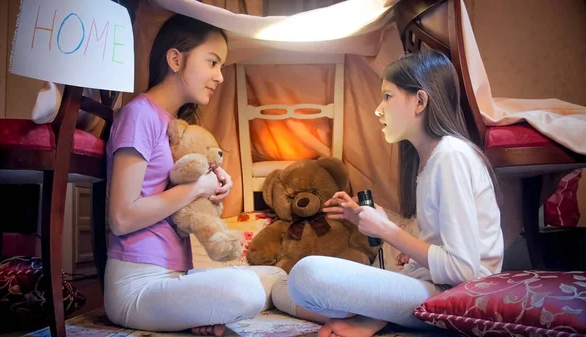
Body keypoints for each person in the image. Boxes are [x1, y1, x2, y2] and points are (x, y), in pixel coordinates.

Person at [270, 51, 505, 337]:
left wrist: (389, 231)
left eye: (388, 96)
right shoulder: (431, 160)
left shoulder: (451, 156)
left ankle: (373, 316)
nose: (378, 109)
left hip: (459, 298)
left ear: (420, 101)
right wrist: (379, 226)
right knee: (284, 287)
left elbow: (463, 270)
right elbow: (442, 246)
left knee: (306, 276)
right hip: (429, 285)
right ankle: (374, 317)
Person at [104, 14, 285, 337]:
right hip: (136, 286)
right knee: (248, 291)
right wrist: (196, 187)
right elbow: (121, 217)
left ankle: (194, 312)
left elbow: (173, 190)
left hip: (175, 278)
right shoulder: (139, 115)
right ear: (175, 59)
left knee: (277, 276)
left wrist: (211, 186)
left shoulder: (172, 123)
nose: (219, 77)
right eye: (212, 62)